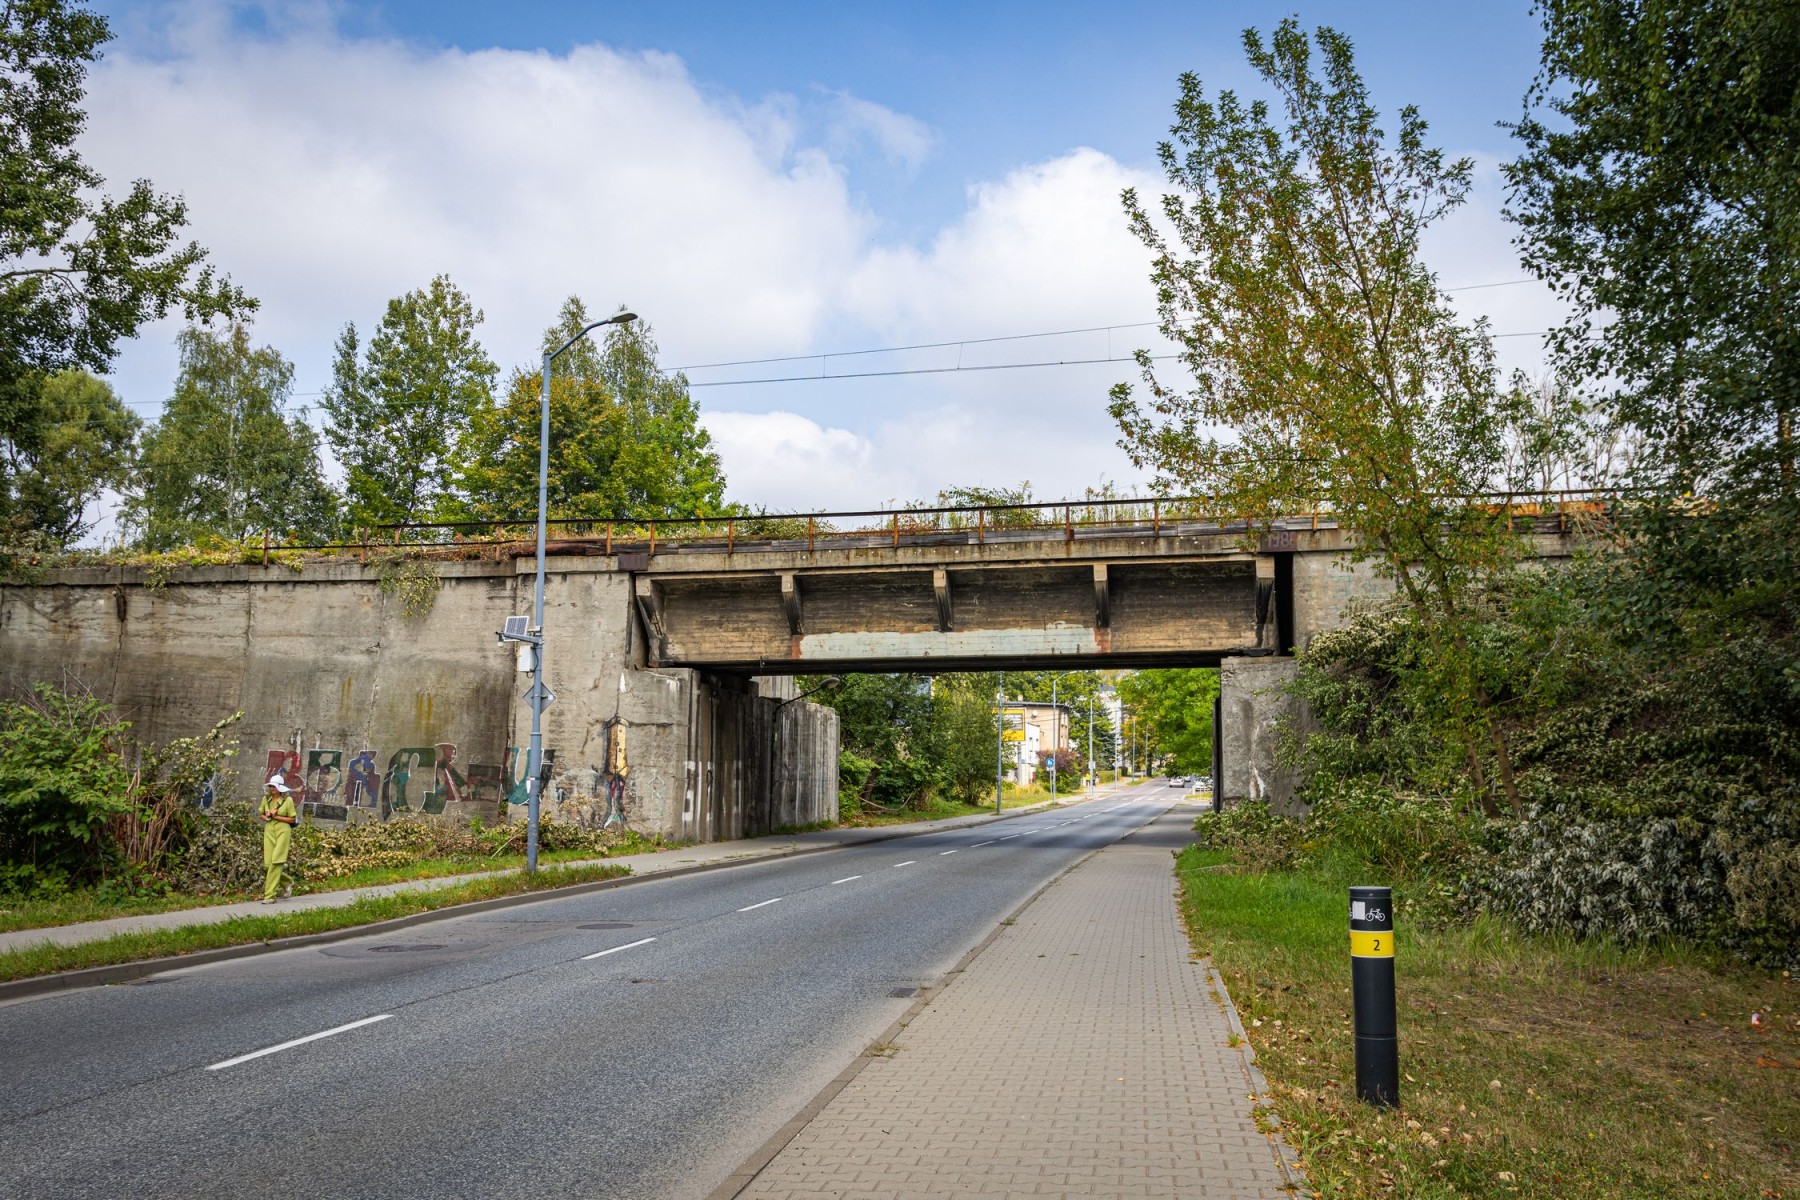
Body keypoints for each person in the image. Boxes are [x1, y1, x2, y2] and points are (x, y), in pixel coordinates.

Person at [259, 775, 297, 903]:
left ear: (280, 788)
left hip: (283, 831)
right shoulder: (266, 799)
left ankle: (269, 896)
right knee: (268, 864)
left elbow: (292, 819)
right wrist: (267, 816)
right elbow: (261, 814)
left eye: (274, 786)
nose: (272, 788)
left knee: (276, 862)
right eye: (270, 786)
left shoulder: (288, 801)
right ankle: (287, 882)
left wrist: (276, 817)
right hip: (269, 831)